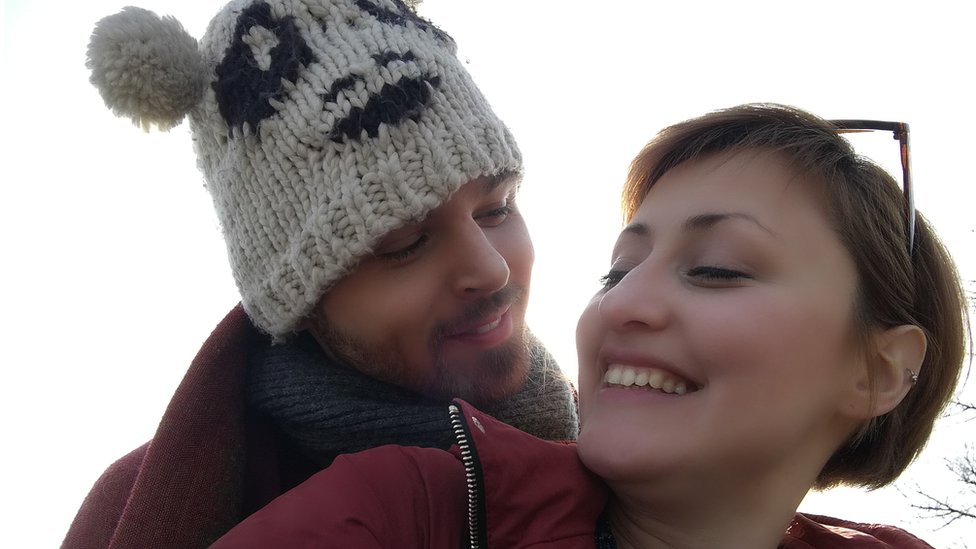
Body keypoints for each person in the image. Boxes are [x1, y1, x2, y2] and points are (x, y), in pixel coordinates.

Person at [208, 103, 968, 548]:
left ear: (880, 370)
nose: (623, 303)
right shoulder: (411, 513)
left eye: (716, 269)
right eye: (618, 270)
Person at [62, 1, 580, 548]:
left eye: (497, 208)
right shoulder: (141, 512)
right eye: (404, 244)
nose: (492, 268)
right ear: (301, 303)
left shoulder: (617, 445)